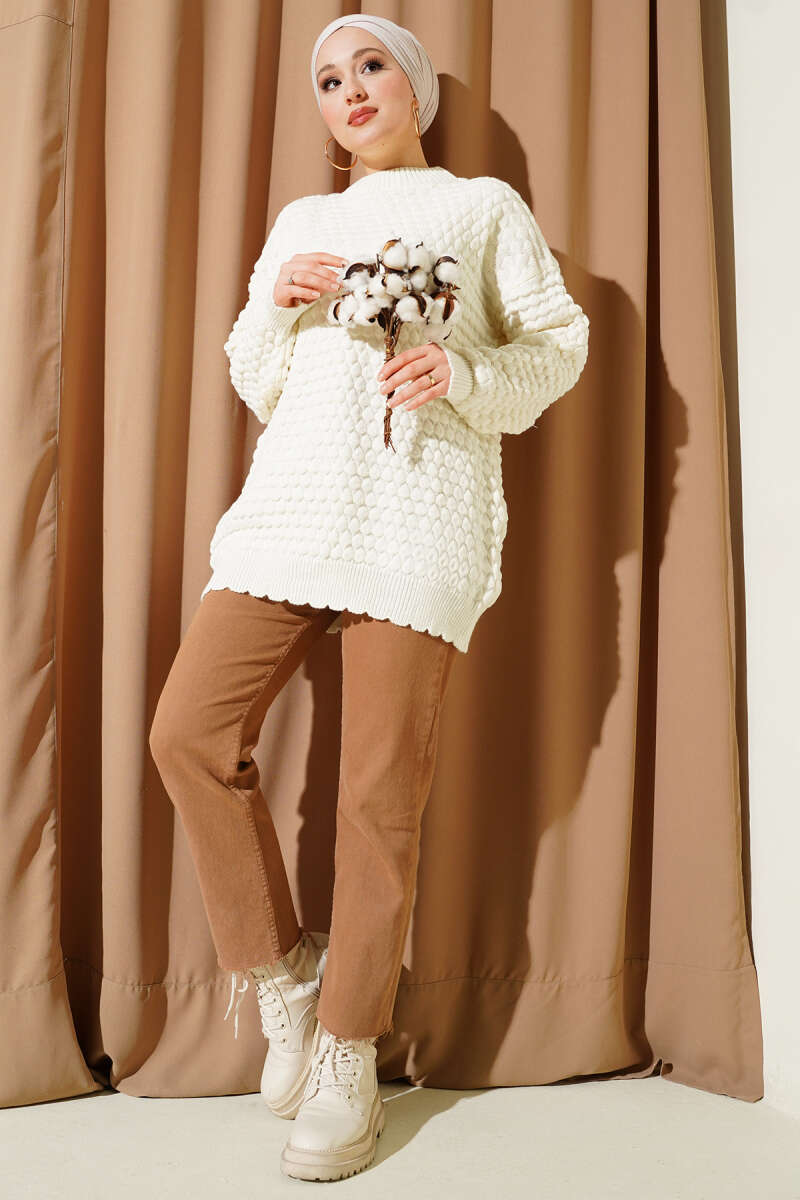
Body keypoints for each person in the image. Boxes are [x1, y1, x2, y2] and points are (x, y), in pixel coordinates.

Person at [149, 11, 589, 1184]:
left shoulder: (481, 208)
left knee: (375, 801)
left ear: (413, 87)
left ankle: (349, 1054)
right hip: (293, 511)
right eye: (327, 78)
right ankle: (285, 975)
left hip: (415, 514)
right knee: (187, 733)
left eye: (370, 66)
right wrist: (275, 303)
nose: (348, 89)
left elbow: (558, 344)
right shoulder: (301, 222)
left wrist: (465, 369)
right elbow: (257, 377)